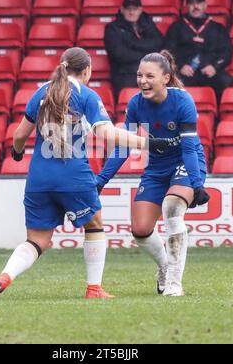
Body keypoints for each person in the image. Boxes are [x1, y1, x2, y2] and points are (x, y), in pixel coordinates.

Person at [0, 47, 161, 301]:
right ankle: (94, 289)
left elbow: (19, 135)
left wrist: (17, 154)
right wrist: (147, 142)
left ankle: (5, 276)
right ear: (86, 71)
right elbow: (105, 133)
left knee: (37, 240)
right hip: (73, 175)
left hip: (39, 178)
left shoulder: (41, 92)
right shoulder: (87, 95)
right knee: (94, 225)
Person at [96, 50, 210, 297]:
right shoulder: (136, 103)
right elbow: (125, 145)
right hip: (157, 168)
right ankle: (164, 265)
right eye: (139, 75)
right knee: (140, 229)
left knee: (171, 207)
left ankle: (174, 284)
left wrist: (197, 183)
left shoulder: (183, 101)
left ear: (166, 78)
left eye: (149, 76)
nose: (142, 81)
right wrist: (100, 180)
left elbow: (189, 148)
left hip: (185, 162)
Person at [165, 0, 233, 103]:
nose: (195, 6)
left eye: (199, 3)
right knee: (170, 83)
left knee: (226, 81)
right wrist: (180, 66)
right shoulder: (176, 27)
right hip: (185, 72)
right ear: (186, 6)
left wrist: (214, 67)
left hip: (208, 71)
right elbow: (168, 51)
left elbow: (227, 52)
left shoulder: (217, 28)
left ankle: (215, 116)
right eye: (191, 3)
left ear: (205, 5)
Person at [105, 0, 164, 99]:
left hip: (149, 73)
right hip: (125, 74)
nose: (131, 12)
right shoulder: (112, 28)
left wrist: (132, 44)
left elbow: (158, 43)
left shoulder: (148, 24)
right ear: (122, 9)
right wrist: (146, 55)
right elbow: (119, 54)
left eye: (135, 9)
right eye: (128, 9)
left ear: (140, 10)